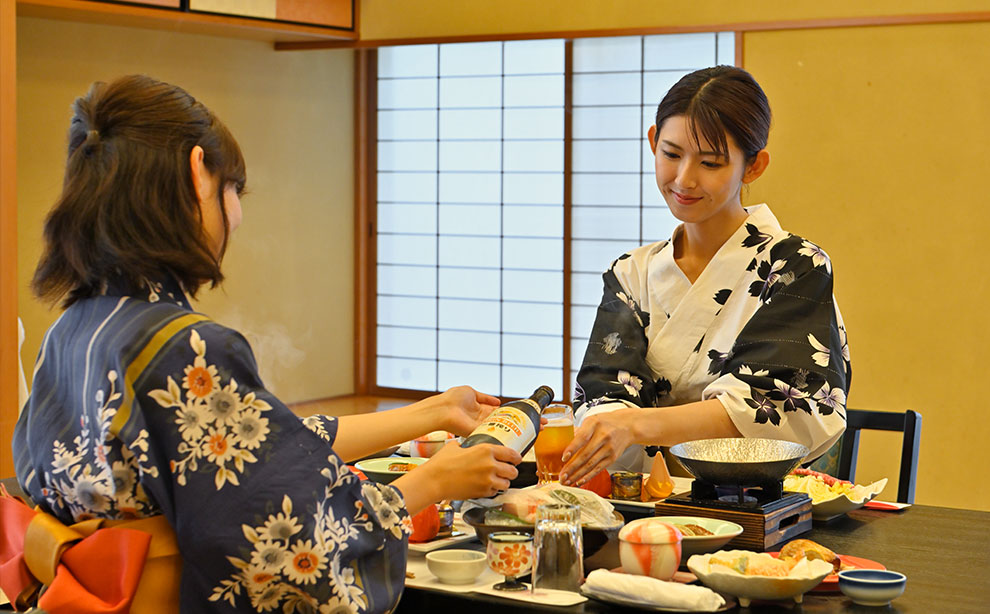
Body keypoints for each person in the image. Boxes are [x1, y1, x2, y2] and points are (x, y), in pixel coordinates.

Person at [10, 75, 520, 613]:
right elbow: (292, 551)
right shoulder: (186, 350)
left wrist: (433, 411)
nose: (237, 214)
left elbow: (260, 451)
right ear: (198, 174)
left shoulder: (71, 330)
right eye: (233, 189)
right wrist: (432, 480)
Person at [559, 66, 850, 488]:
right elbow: (604, 396)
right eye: (671, 154)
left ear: (753, 167)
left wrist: (636, 425)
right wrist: (612, 429)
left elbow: (777, 402)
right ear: (652, 141)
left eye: (710, 162)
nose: (683, 179)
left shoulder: (796, 266)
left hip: (758, 502)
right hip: (646, 500)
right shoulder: (631, 274)